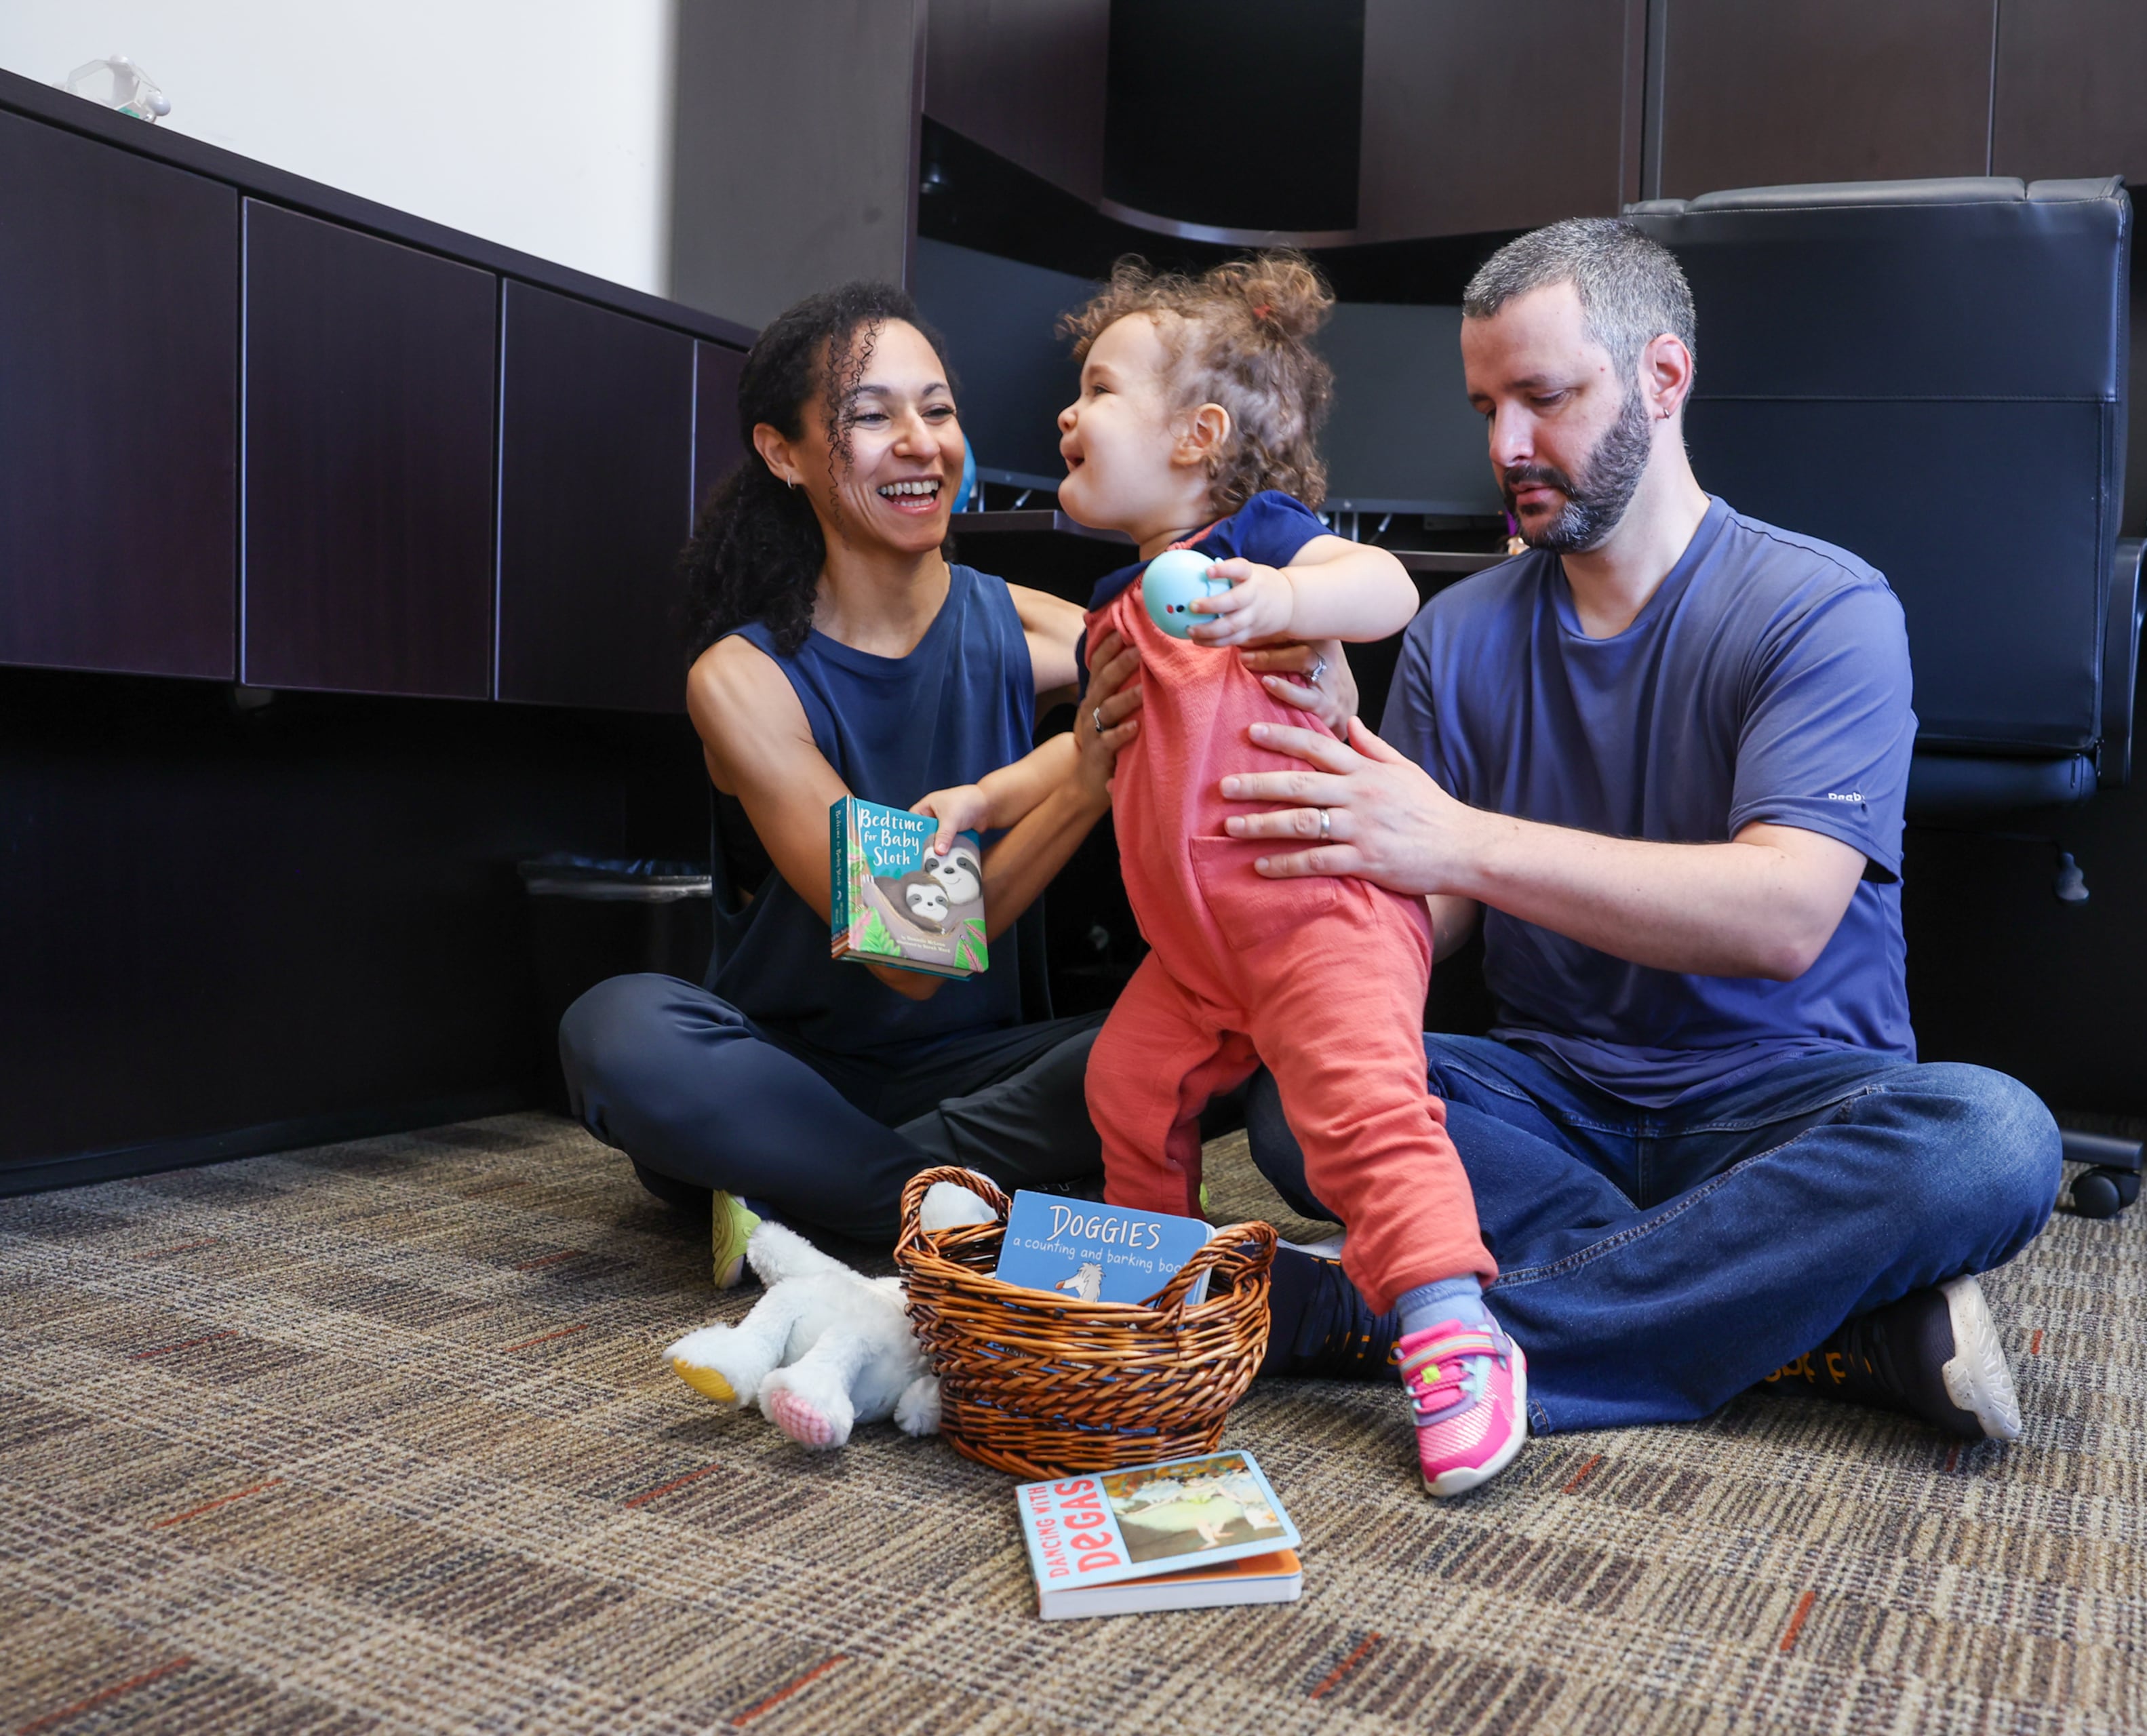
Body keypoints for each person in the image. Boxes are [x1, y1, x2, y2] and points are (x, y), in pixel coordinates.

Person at [1225, 220, 2063, 1442]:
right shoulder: (1458, 637)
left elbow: (1781, 916)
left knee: (1989, 1140)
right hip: (1553, 1100)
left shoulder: (1821, 608)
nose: (1507, 446)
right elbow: (1430, 914)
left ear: (1664, 378)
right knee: (1295, 1099)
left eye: (1545, 398)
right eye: (1485, 407)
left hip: (1788, 1113)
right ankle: (1817, 1322)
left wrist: (1455, 838)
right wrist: (1328, 795)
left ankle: (1374, 1320)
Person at [557, 281, 1348, 1284]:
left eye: (936, 410)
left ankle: (821, 1199)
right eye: (871, 416)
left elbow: (1237, 676)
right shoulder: (745, 681)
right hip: (787, 1076)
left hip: (990, 1073)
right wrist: (1082, 780)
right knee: (618, 1028)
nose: (920, 442)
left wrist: (1321, 656)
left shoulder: (1035, 628)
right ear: (783, 454)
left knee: (1228, 1023)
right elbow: (908, 956)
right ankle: (963, 1220)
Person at [1043, 254, 1524, 1497]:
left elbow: (1389, 586)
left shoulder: (1253, 552)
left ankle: (1451, 1329)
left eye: (1095, 389)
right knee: (1127, 1080)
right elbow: (1087, 759)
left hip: (1322, 913)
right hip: (1198, 956)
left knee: (1360, 1116)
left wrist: (1282, 598)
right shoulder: (1115, 605)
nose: (1065, 414)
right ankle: (1160, 1292)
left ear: (1199, 439)